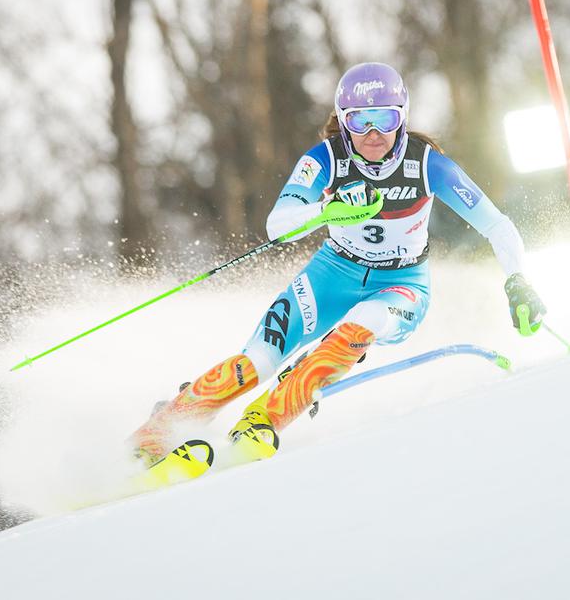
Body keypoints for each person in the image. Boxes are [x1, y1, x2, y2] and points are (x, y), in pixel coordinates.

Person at [130, 62, 546, 466]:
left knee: (357, 327)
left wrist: (518, 280)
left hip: (401, 283)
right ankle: (161, 430)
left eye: (384, 118)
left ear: (401, 117)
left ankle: (263, 419)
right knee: (256, 361)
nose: (372, 133)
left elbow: (497, 225)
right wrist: (326, 209)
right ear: (342, 120)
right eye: (359, 120)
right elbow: (279, 225)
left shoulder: (428, 164)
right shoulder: (325, 158)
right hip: (332, 273)